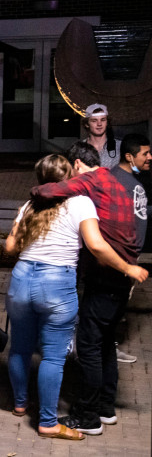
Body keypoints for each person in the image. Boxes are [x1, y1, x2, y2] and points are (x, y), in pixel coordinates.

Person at [4, 155, 146, 440]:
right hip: (56, 283)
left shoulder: (30, 205)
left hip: (21, 279)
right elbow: (95, 245)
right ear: (69, 176)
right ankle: (47, 422)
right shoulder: (80, 202)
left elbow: (10, 247)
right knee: (53, 358)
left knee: (20, 348)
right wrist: (127, 267)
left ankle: (20, 404)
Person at [109, 134, 151, 365]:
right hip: (124, 257)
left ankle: (107, 346)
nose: (150, 157)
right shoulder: (129, 184)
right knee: (115, 305)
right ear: (129, 156)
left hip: (120, 255)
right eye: (145, 153)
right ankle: (108, 349)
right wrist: (129, 259)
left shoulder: (117, 177)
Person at [81, 103, 121, 169]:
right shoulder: (80, 148)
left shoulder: (119, 147)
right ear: (87, 124)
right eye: (94, 120)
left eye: (103, 120)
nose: (99, 124)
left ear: (107, 122)